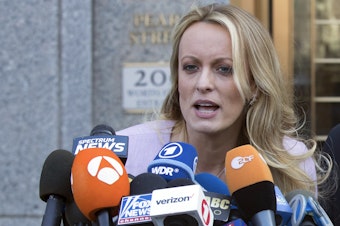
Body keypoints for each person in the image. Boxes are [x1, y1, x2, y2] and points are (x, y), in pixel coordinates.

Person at [117, 3, 334, 201]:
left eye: (224, 69)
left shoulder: (292, 162)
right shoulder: (126, 154)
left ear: (255, 85)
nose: (203, 84)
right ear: (177, 79)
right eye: (191, 67)